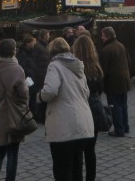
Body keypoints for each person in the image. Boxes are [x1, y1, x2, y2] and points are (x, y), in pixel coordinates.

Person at [38, 37, 94, 181]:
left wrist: (39, 96)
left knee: (62, 169)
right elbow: (86, 93)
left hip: (63, 124)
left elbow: (49, 91)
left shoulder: (55, 65)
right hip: (83, 122)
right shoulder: (77, 65)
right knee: (76, 167)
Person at [0, 38, 30, 181]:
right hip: (14, 114)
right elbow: (23, 94)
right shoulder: (18, 69)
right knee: (13, 153)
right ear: (12, 52)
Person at [73, 34, 104, 181]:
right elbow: (100, 89)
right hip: (95, 110)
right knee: (90, 150)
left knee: (77, 151)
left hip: (79, 110)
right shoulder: (96, 67)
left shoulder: (75, 67)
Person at [99, 27, 131, 137]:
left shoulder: (106, 50)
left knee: (115, 106)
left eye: (102, 35)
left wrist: (102, 83)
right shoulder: (121, 46)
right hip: (124, 81)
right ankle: (125, 126)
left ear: (107, 36)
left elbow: (103, 70)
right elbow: (129, 62)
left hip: (113, 83)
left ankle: (119, 130)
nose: (101, 37)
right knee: (123, 105)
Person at [31, 29, 50, 116]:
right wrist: (37, 72)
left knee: (42, 94)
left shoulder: (45, 46)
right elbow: (33, 60)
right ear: (44, 35)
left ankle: (40, 113)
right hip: (40, 75)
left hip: (44, 73)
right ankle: (37, 113)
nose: (49, 36)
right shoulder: (38, 46)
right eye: (48, 34)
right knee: (38, 94)